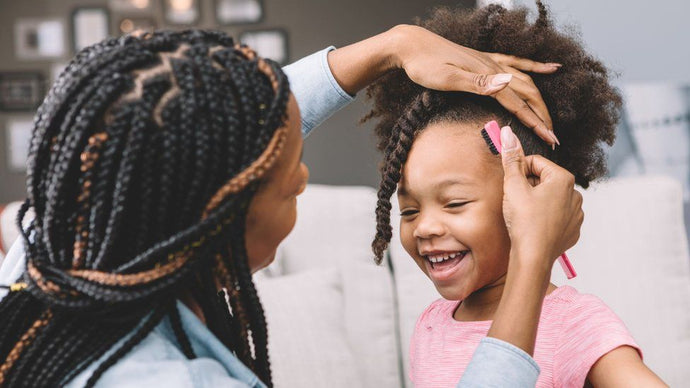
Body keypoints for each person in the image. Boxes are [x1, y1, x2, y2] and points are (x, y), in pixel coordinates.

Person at [0, 25, 577, 388]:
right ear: (219, 218)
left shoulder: (51, 256)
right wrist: (532, 256)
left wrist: (394, 46)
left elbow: (215, 132)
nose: (304, 175)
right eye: (290, 185)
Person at [366, 2, 667, 387]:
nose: (424, 227)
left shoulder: (573, 323)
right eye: (408, 211)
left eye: (454, 203)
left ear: (530, 192)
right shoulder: (432, 323)